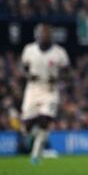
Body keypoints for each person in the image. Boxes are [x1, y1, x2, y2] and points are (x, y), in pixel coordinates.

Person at [20, 24, 70, 165]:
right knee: (28, 125)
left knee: (45, 120)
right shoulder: (29, 50)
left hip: (50, 89)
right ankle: (33, 137)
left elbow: (67, 72)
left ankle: (35, 155)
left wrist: (59, 78)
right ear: (37, 35)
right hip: (33, 89)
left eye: (47, 34)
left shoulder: (59, 52)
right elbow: (22, 68)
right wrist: (28, 75)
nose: (44, 36)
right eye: (42, 34)